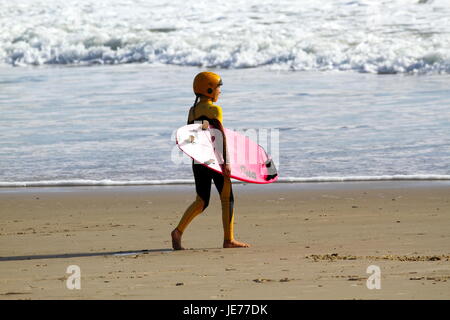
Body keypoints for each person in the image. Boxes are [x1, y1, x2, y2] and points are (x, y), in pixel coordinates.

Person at [171, 71, 250, 250]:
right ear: (208, 89)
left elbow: (189, 136)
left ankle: (178, 231)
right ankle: (228, 240)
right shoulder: (215, 110)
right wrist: (226, 162)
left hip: (199, 159)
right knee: (227, 198)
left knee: (201, 200)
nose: (220, 91)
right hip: (215, 160)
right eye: (218, 88)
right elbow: (219, 136)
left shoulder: (192, 111)